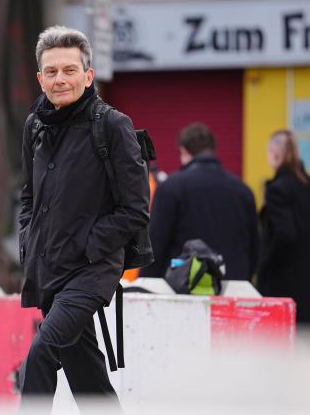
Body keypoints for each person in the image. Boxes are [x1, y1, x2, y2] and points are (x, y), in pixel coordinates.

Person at [18, 26, 149, 409]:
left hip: (91, 270)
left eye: (70, 70)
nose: (61, 79)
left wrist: (89, 243)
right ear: (41, 78)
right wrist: (29, 242)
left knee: (41, 353)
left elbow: (135, 209)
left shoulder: (111, 125)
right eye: (52, 72)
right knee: (88, 378)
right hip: (49, 269)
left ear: (88, 76)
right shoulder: (34, 127)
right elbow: (28, 197)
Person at [140, 122, 258, 281]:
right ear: (213, 150)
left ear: (183, 151)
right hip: (234, 288)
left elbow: (155, 246)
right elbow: (254, 249)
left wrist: (145, 284)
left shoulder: (171, 188)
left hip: (186, 290)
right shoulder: (243, 191)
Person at [257, 129, 310, 329]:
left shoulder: (277, 191)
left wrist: (265, 266)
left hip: (289, 291)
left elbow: (284, 234)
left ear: (275, 154)